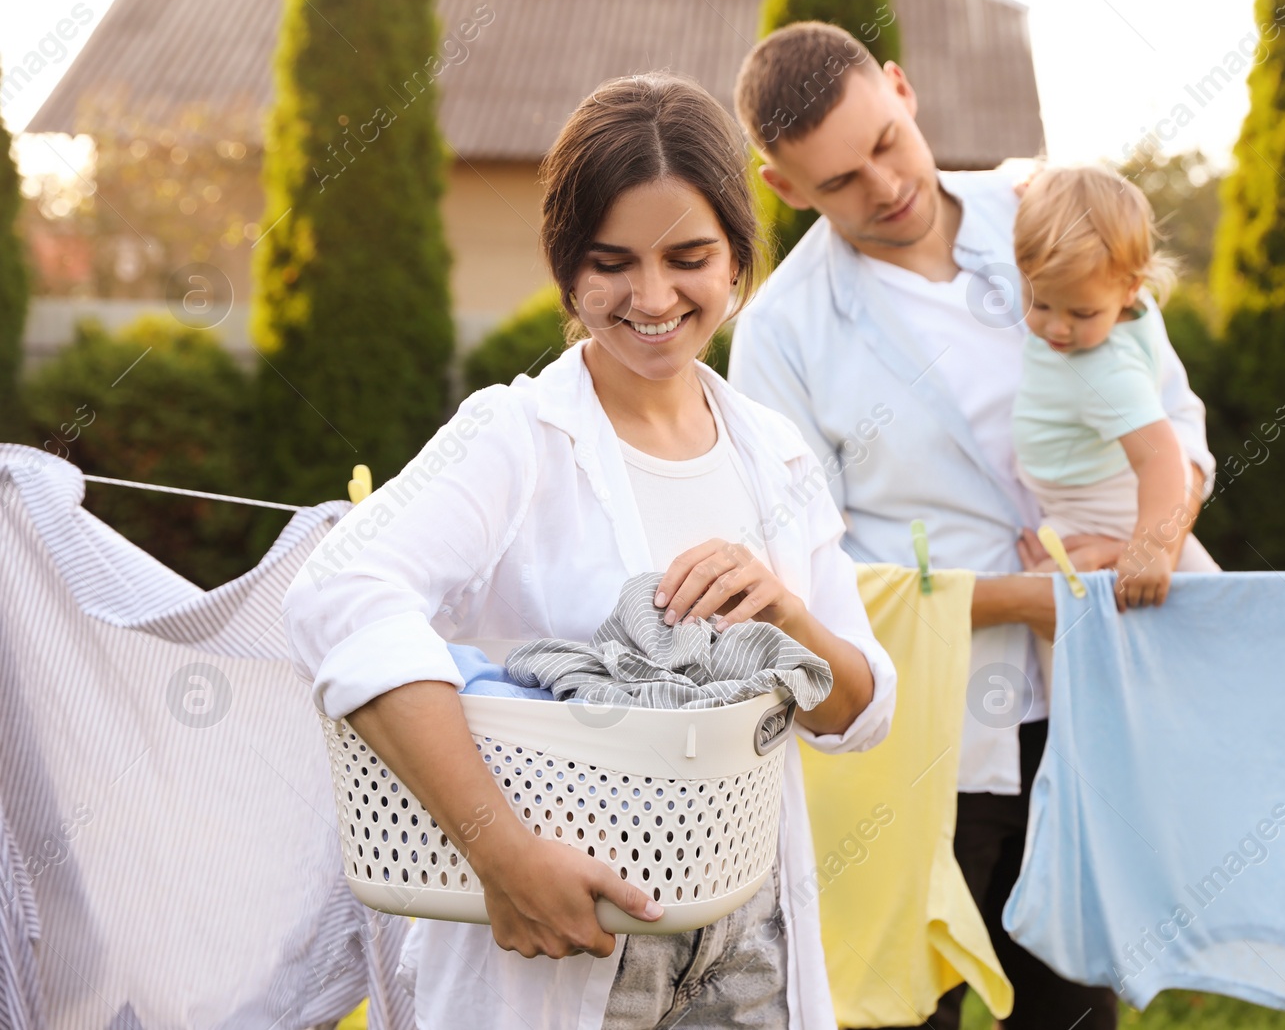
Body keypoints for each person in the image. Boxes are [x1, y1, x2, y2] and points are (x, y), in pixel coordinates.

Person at [281, 72, 896, 1030]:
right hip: (564, 943)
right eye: (612, 262)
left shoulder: (775, 454)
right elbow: (337, 592)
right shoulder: (514, 437)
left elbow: (858, 712)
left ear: (737, 256)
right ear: (568, 272)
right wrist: (501, 852)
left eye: (689, 255)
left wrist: (786, 614)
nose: (653, 297)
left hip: (747, 946)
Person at [727, 22, 1216, 1030]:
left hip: (1089, 708)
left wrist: (1147, 545)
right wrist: (1022, 602)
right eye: (839, 182)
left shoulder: (1051, 214)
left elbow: (1170, 420)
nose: (884, 186)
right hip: (930, 733)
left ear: (902, 89)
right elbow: (808, 576)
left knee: (1072, 1004)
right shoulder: (781, 335)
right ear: (783, 189)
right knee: (911, 1003)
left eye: (884, 144)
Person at [1011, 164, 1221, 613]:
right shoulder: (1119, 293)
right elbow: (1086, 243)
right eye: (1039, 301)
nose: (1057, 327)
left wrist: (1151, 548)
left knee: (1072, 639)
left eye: (1082, 314)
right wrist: (1042, 203)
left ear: (1130, 288)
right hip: (1094, 497)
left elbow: (1163, 455)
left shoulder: (1105, 371)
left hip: (1094, 515)